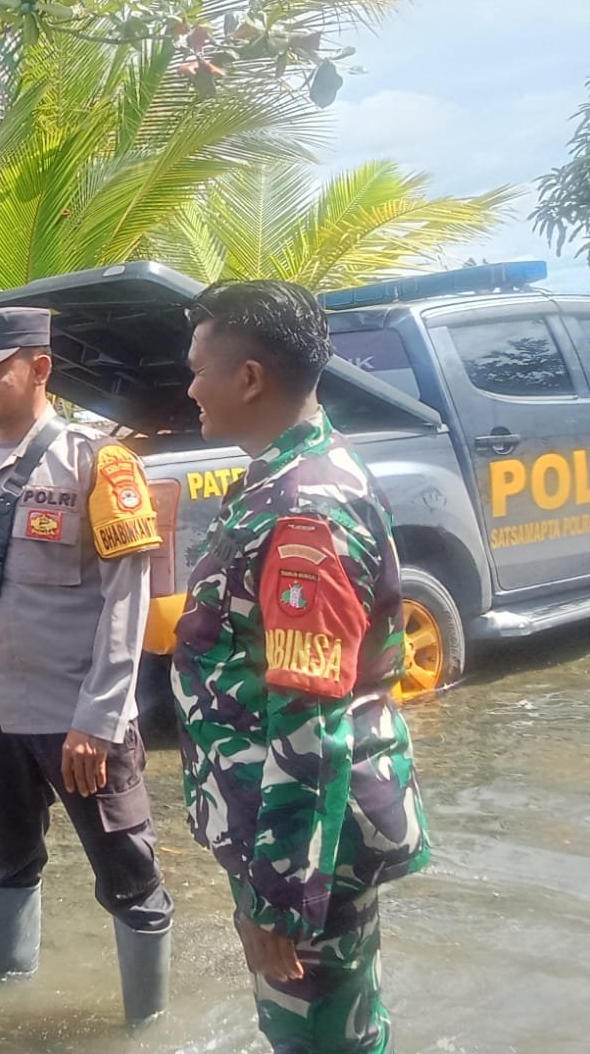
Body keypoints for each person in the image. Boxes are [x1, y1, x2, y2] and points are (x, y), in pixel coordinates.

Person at [174, 281, 430, 1053]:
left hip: (307, 841)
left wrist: (280, 896)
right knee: (323, 1027)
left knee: (321, 1036)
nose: (190, 389)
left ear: (249, 377)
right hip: (297, 830)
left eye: (199, 370)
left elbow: (312, 723)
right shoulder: (289, 474)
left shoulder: (302, 508)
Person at [0, 306, 173, 1027]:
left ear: (40, 369)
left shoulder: (99, 463)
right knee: (5, 862)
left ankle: (146, 1030)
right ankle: (2, 1011)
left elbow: (127, 600)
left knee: (130, 878)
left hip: (78, 721)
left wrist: (99, 719)